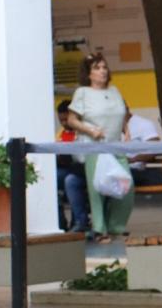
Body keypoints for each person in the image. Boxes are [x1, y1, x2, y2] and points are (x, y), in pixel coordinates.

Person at [64, 53, 134, 238]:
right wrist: (89, 130)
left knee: (127, 187)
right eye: (97, 68)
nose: (102, 71)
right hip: (95, 146)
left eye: (104, 67)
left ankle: (115, 227)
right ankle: (99, 229)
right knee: (98, 189)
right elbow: (72, 120)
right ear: (88, 74)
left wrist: (126, 130)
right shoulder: (83, 93)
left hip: (116, 145)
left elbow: (123, 113)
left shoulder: (114, 91)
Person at [55, 100, 90, 233]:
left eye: (66, 120)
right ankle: (59, 222)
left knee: (70, 181)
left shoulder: (83, 131)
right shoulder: (61, 133)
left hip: (84, 169)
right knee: (52, 178)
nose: (64, 123)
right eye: (61, 120)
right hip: (68, 167)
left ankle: (80, 221)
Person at [125, 112, 162, 188]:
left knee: (157, 178)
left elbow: (154, 148)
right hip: (114, 172)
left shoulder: (141, 124)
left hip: (133, 171)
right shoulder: (107, 125)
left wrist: (133, 159)